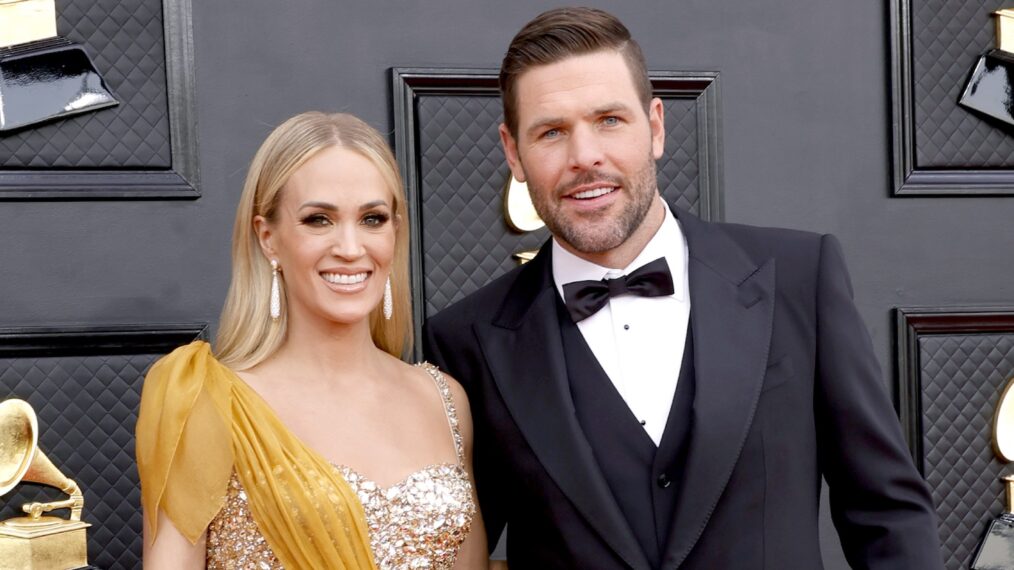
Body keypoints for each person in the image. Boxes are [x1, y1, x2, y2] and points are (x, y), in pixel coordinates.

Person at [423, 7, 943, 569]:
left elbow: (887, 514)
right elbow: (458, 554)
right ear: (512, 151)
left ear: (657, 126)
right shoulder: (464, 343)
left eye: (609, 120)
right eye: (551, 132)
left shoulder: (798, 276)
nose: (585, 157)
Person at [136, 112, 487, 569]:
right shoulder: (203, 399)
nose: (350, 247)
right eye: (319, 219)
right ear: (268, 239)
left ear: (395, 233)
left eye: (372, 219)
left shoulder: (444, 399)